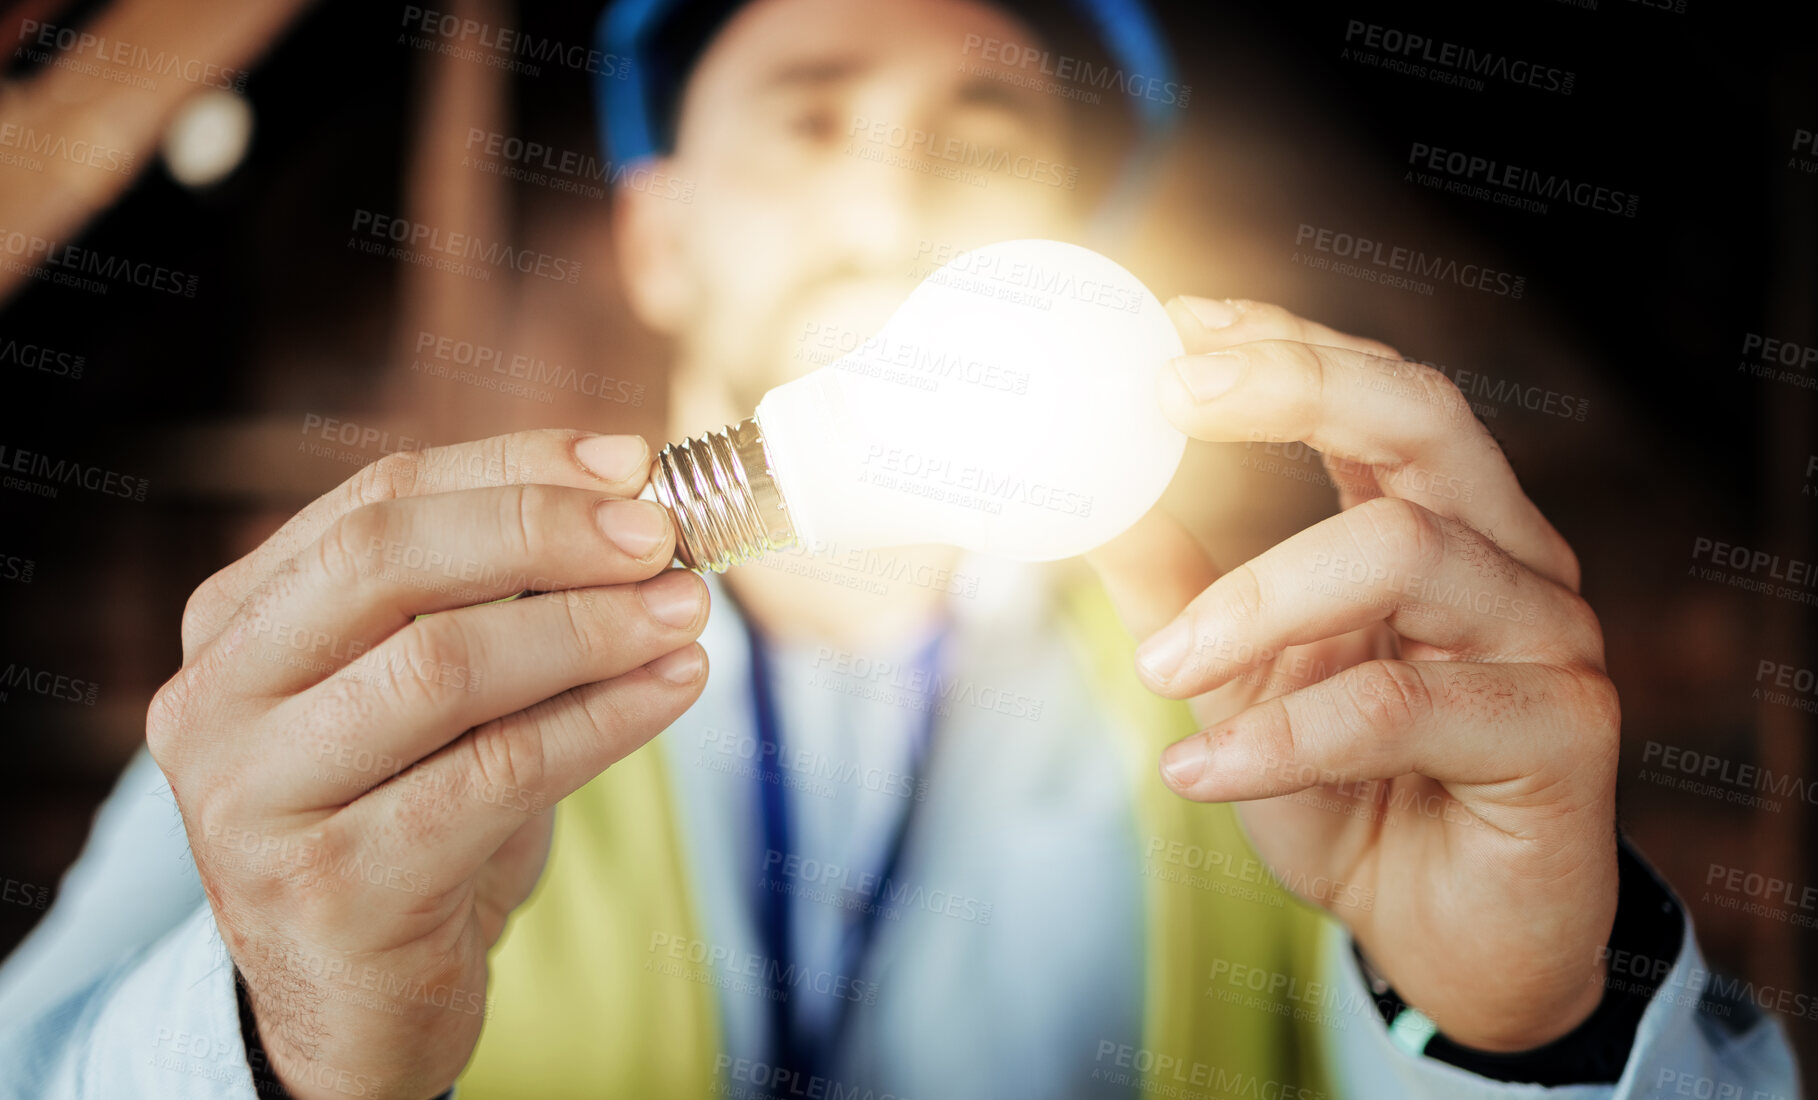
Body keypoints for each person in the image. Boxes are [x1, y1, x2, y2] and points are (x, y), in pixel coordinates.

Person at [0, 0, 1800, 1097]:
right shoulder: (387, 685)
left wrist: (1529, 1033)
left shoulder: (1284, 707)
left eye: (979, 135)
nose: (887, 197)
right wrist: (278, 1049)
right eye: (807, 118)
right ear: (661, 241)